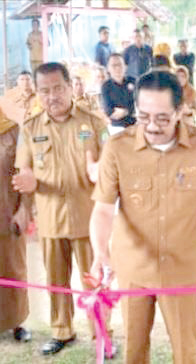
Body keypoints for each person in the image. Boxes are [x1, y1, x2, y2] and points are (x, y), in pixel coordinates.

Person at [89, 71, 196, 364]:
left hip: (182, 269)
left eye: (163, 118)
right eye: (144, 116)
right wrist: (100, 253)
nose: (152, 126)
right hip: (133, 270)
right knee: (135, 352)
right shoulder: (117, 149)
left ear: (180, 111)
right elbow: (103, 209)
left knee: (186, 352)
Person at [12, 62, 110, 356]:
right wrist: (25, 192)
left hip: (88, 218)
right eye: (44, 91)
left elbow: (111, 166)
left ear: (70, 87)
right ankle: (62, 332)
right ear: (37, 93)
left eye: (57, 88)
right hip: (51, 218)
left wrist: (100, 171)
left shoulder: (93, 123)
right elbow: (24, 173)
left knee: (93, 279)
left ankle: (102, 333)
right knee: (56, 280)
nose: (51, 96)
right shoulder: (30, 129)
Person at [0, 107, 32, 343]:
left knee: (13, 269)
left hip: (8, 213)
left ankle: (17, 323)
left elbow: (26, 172)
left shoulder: (13, 130)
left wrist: (25, 208)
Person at [101, 53, 136, 134]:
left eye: (120, 64)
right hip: (117, 128)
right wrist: (130, 109)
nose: (117, 68)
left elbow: (139, 103)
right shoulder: (106, 86)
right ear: (108, 68)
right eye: (114, 65)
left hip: (135, 124)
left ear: (125, 66)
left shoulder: (134, 81)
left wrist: (126, 111)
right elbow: (109, 110)